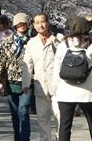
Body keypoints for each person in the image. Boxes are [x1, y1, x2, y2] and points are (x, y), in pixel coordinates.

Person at [53, 16, 92, 141]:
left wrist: (56, 90)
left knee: (64, 126)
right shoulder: (91, 46)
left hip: (65, 92)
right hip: (88, 93)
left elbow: (56, 71)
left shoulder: (63, 45)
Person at [0, 13, 32, 141]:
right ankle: (17, 137)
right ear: (15, 25)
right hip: (11, 81)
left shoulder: (32, 42)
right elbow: (0, 61)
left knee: (23, 111)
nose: (22, 26)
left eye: (24, 23)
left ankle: (24, 138)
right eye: (19, 24)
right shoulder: (7, 42)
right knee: (15, 114)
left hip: (27, 81)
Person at [22, 13, 61, 141]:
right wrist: (26, 83)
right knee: (42, 118)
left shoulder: (57, 41)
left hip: (57, 86)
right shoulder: (31, 43)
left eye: (42, 21)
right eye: (37, 23)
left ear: (48, 23)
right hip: (40, 86)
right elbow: (27, 64)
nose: (40, 25)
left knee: (59, 116)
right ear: (33, 25)